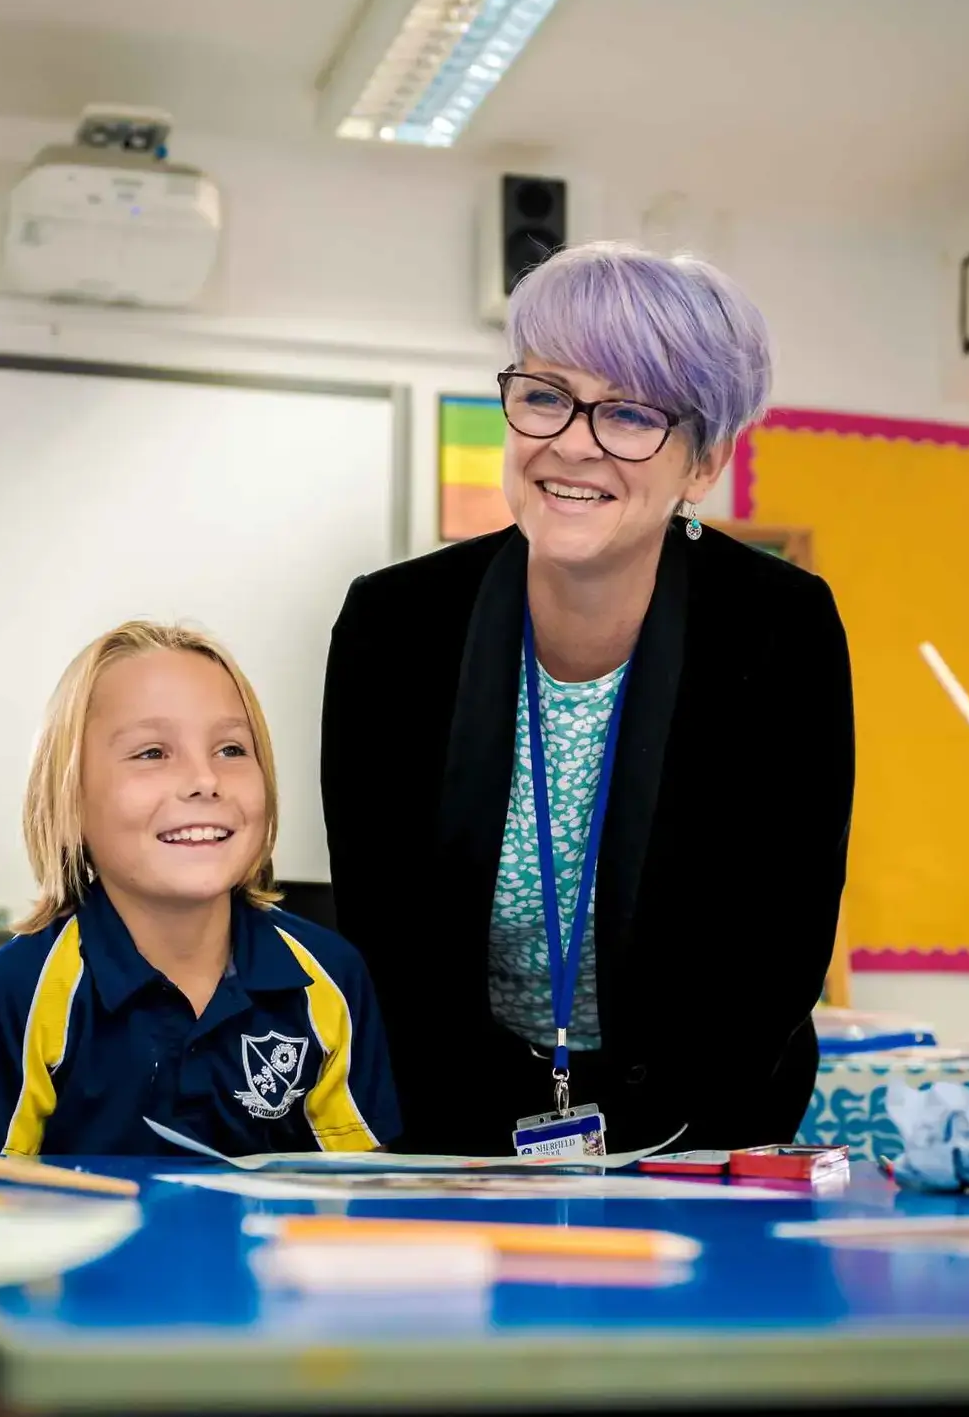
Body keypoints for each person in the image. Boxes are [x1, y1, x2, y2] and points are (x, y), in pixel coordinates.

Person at [322, 242, 853, 1156]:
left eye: (631, 412)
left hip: (707, 1127)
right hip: (450, 1128)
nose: (573, 441)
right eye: (543, 394)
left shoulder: (778, 628)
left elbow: (782, 943)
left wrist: (663, 1147)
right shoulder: (395, 624)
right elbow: (384, 937)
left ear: (704, 460)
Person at [0, 620, 399, 1156]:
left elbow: (360, 1195)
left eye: (231, 750)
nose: (205, 779)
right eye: (152, 753)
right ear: (69, 799)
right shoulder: (18, 994)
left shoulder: (329, 979)